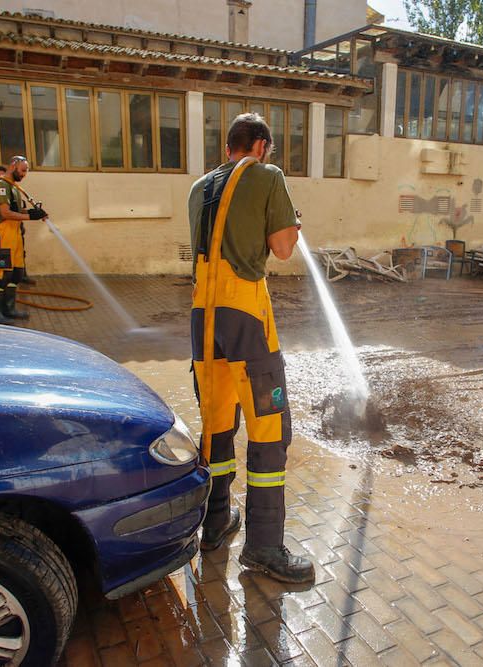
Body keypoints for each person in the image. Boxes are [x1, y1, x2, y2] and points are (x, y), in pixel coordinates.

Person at [188, 112, 313, 584]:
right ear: (261, 146)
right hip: (245, 316)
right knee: (268, 431)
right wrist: (291, 224)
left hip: (203, 320)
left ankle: (215, 521)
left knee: (217, 422)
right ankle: (264, 547)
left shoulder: (199, 188)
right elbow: (282, 248)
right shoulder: (268, 176)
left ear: (229, 149)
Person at [0, 156, 47, 324]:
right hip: (4, 234)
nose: (25, 174)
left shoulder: (14, 187)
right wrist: (29, 216)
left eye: (26, 170)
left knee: (16, 273)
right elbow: (5, 213)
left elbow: (17, 210)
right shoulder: (1, 186)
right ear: (13, 166)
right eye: (23, 170)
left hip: (15, 234)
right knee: (3, 273)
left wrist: (34, 212)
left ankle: (8, 309)